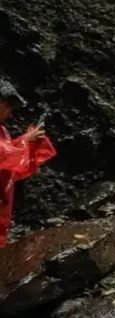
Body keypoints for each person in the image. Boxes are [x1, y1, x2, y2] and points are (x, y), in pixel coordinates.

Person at [1, 79, 56, 247]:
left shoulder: (2, 131)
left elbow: (10, 162)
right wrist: (26, 140)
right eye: (7, 107)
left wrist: (28, 142)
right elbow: (4, 155)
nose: (10, 114)